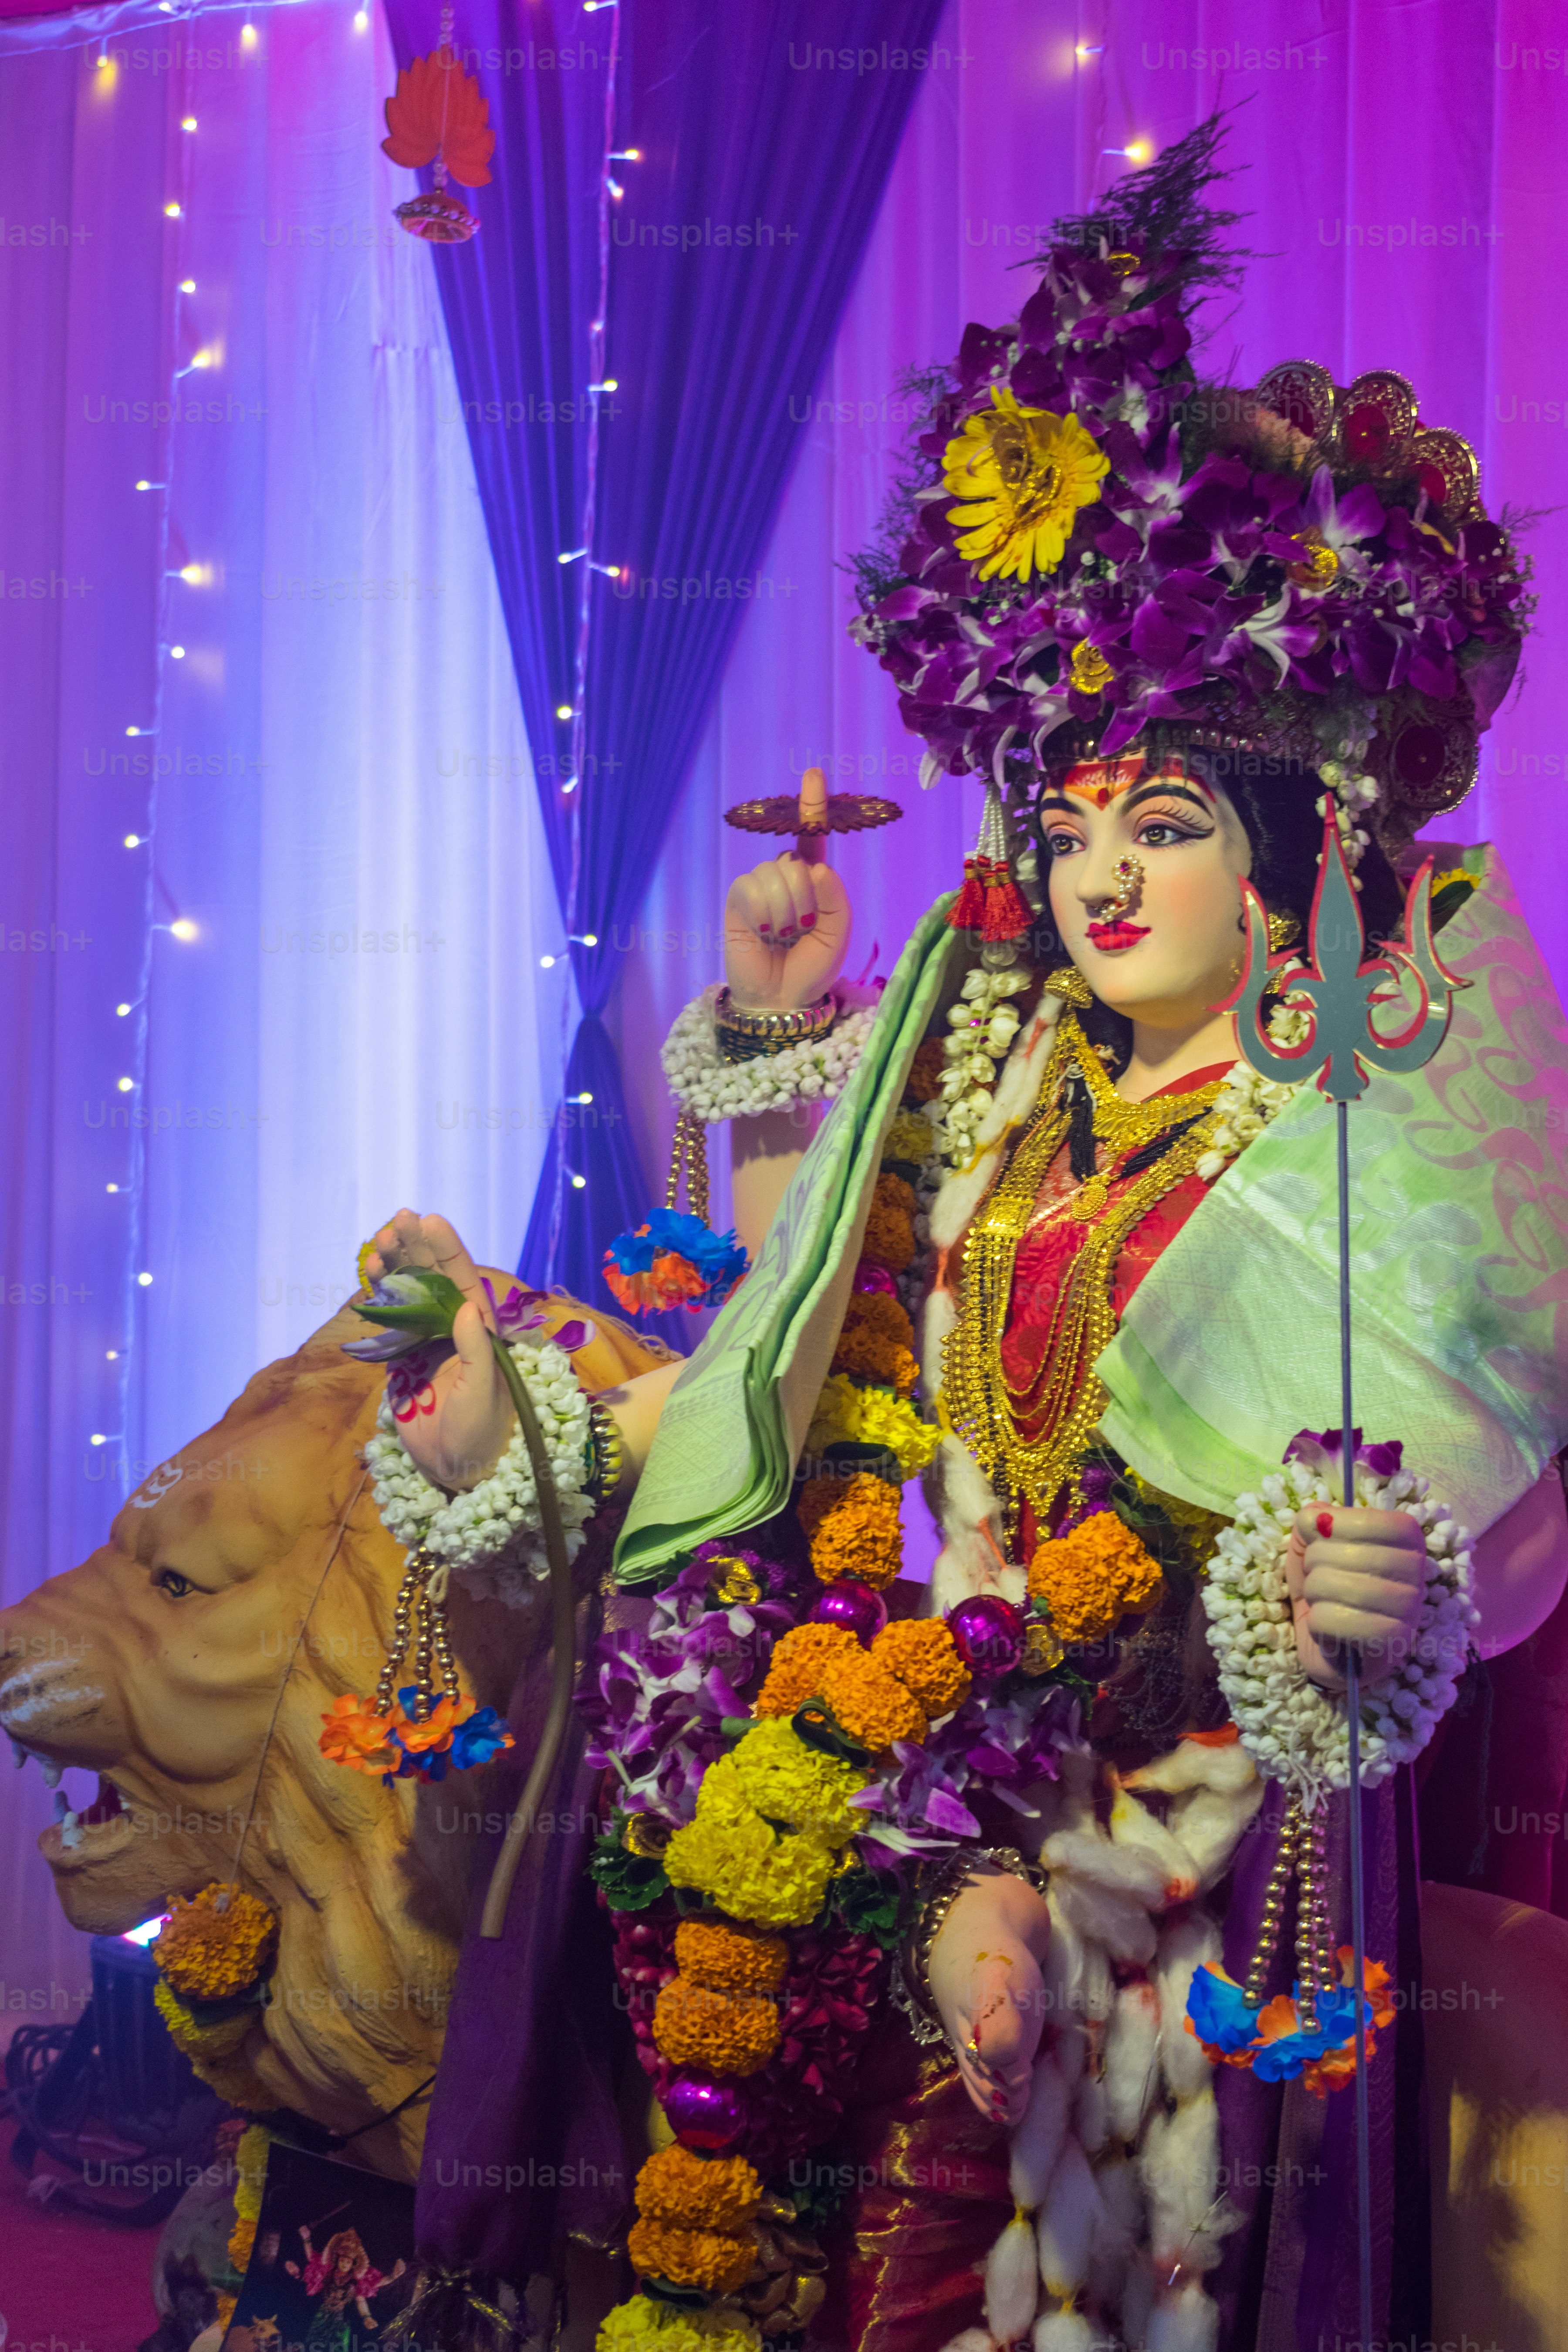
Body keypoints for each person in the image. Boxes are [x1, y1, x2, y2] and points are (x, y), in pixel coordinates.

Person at [357, 124, 1568, 2352]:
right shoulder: (997, 1066)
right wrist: (535, 1407)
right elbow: (799, 1356)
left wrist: (1383, 1591)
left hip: (1187, 1796)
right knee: (680, 1779)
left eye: (1166, 822)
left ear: (1292, 852)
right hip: (935, 1728)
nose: (1101, 875)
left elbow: (1483, 1468)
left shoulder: (1363, 1121)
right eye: (1073, 822)